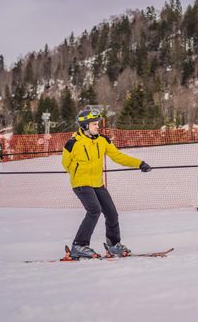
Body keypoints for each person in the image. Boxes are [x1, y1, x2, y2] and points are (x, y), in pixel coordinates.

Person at [62, 108, 152, 259]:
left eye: (97, 124)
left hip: (97, 183)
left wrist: (139, 163)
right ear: (85, 126)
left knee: (111, 213)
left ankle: (114, 246)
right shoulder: (72, 143)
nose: (98, 126)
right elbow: (66, 164)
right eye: (94, 124)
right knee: (94, 211)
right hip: (81, 183)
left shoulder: (102, 140)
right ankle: (79, 245)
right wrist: (78, 173)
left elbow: (118, 156)